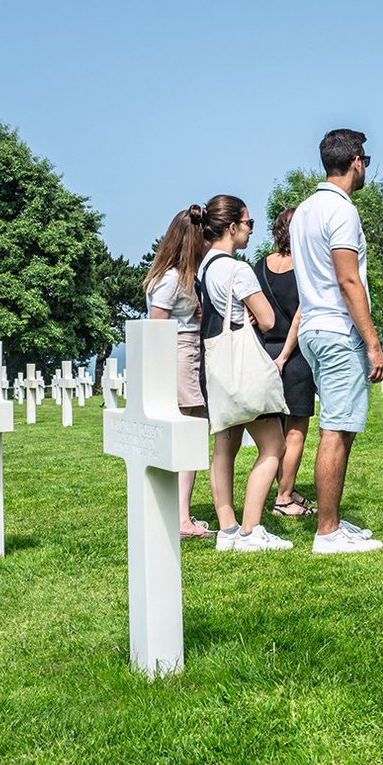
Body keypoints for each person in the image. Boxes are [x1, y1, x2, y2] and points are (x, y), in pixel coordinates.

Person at [288, 128, 383, 554]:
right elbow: (348, 279)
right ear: (357, 161)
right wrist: (372, 343)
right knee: (337, 430)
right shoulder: (342, 211)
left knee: (337, 426)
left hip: (312, 325)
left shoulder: (304, 211)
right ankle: (327, 532)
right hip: (335, 328)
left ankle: (332, 521)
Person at [193, 196, 292, 552]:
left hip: (216, 366)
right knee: (273, 446)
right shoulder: (239, 269)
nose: (252, 229)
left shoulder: (204, 267)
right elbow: (266, 319)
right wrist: (251, 316)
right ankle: (251, 529)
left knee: (224, 445)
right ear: (232, 227)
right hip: (245, 368)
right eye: (249, 223)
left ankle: (228, 528)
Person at [143, 209, 214, 539]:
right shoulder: (172, 280)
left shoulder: (176, 277)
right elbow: (158, 326)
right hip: (180, 355)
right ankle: (182, 518)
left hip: (183, 352)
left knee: (191, 431)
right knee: (191, 432)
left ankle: (177, 511)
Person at [254, 207, 318, 518]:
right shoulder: (305, 267)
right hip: (293, 357)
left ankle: (286, 488)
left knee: (274, 430)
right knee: (296, 429)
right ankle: (283, 498)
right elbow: (300, 315)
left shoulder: (259, 266)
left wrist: (270, 355)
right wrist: (284, 355)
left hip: (264, 352)